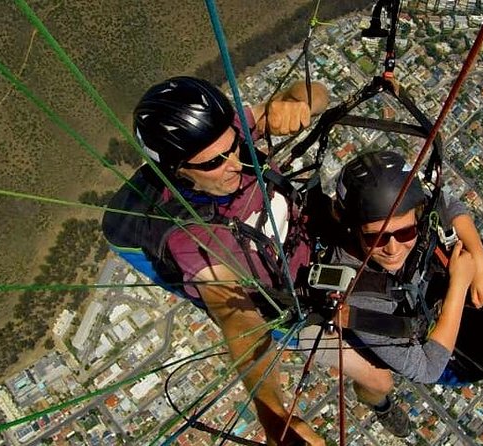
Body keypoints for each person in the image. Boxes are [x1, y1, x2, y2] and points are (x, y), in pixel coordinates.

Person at [126, 77, 401, 444]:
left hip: (314, 237)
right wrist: (273, 416)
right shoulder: (191, 238)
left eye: (235, 148)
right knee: (381, 380)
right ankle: (379, 404)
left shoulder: (223, 135)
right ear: (177, 170)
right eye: (213, 162)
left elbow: (318, 92)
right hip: (297, 303)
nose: (235, 163)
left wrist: (299, 102)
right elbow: (238, 319)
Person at [327, 149, 483, 427]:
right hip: (440, 339)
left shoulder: (406, 207)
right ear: (351, 228)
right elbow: (427, 367)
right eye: (375, 238)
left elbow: (448, 205)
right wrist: (459, 283)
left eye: (406, 232)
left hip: (445, 275)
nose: (393, 249)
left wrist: (478, 259)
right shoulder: (356, 293)